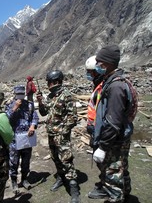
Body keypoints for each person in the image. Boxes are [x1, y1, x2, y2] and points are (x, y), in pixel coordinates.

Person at [88, 45, 136, 202]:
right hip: (119, 136)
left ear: (106, 64)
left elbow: (113, 122)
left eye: (99, 62)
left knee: (112, 173)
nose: (97, 65)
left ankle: (117, 197)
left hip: (114, 140)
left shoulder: (115, 87)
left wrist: (102, 147)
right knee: (121, 168)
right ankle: (126, 193)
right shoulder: (113, 81)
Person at [36, 70, 80, 203]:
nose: (48, 85)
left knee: (66, 160)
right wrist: (40, 102)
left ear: (56, 81)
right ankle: (61, 178)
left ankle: (74, 190)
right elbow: (44, 113)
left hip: (61, 136)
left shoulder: (67, 96)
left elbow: (73, 117)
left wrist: (63, 131)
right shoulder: (50, 96)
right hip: (51, 134)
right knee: (56, 158)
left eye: (49, 82)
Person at [5, 85, 39, 194]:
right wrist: (14, 108)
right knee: (13, 161)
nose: (20, 96)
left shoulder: (29, 105)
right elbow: (5, 120)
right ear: (14, 94)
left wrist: (33, 126)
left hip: (27, 137)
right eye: (18, 94)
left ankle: (24, 179)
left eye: (22, 93)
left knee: (26, 160)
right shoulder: (9, 105)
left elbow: (35, 117)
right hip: (14, 139)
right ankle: (14, 182)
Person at [85, 56, 104, 146]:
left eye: (90, 72)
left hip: (100, 131)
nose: (89, 74)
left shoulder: (103, 87)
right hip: (95, 129)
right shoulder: (98, 85)